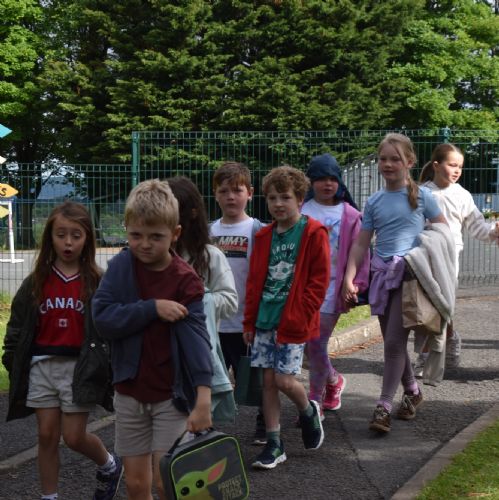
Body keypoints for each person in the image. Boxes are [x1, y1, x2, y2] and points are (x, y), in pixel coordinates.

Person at [92, 179, 213, 500]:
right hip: (129, 392)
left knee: (167, 481)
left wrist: (203, 397)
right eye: (136, 235)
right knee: (135, 484)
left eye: (156, 236)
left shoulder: (185, 281)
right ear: (127, 229)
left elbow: (198, 341)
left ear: (175, 233)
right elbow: (102, 318)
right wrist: (151, 308)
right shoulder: (121, 266)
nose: (144, 244)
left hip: (170, 397)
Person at [2, 201, 122, 500]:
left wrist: (106, 366)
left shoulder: (96, 282)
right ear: (50, 238)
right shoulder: (36, 282)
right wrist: (13, 360)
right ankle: (49, 496)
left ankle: (109, 465)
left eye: (76, 235)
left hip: (80, 370)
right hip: (41, 367)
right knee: (46, 435)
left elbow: (110, 328)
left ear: (87, 239)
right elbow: (16, 328)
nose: (68, 242)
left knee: (73, 437)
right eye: (61, 235)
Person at [342, 133, 447, 434]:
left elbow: (443, 233)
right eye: (383, 159)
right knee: (393, 341)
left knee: (392, 343)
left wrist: (423, 255)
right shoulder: (374, 201)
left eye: (395, 159)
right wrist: (350, 277)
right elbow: (361, 243)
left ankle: (383, 406)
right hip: (381, 277)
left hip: (409, 277)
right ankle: (412, 390)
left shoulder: (423, 197)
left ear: (409, 162)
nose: (388, 164)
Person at [243, 165, 330, 469]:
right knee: (267, 382)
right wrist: (249, 322)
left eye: (285, 197)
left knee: (283, 380)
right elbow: (254, 282)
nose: (278, 204)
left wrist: (301, 314)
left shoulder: (313, 232)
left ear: (300, 199)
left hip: (292, 321)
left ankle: (308, 410)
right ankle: (274, 443)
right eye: (272, 198)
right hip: (264, 320)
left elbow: (319, 282)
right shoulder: (264, 236)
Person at [414, 143, 499, 375]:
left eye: (460, 166)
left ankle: (447, 340)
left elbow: (477, 227)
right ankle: (428, 354)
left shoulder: (462, 195)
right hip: (423, 256)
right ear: (436, 165)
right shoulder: (421, 193)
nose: (457, 170)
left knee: (442, 306)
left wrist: (494, 230)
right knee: (427, 307)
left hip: (450, 259)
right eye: (452, 165)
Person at [301, 153, 370, 416]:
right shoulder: (301, 210)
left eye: (333, 179)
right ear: (311, 182)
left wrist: (355, 283)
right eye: (321, 179)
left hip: (332, 288)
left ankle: (314, 403)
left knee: (317, 344)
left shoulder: (350, 215)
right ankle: (334, 380)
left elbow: (361, 252)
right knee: (308, 347)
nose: (328, 184)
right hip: (303, 289)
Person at [209, 161, 267, 444]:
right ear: (215, 194)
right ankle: (207, 425)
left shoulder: (259, 230)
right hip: (217, 323)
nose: (231, 197)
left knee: (257, 379)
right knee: (213, 377)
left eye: (237, 190)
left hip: (247, 322)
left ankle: (265, 423)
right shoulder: (208, 232)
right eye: (224, 191)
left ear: (250, 193)